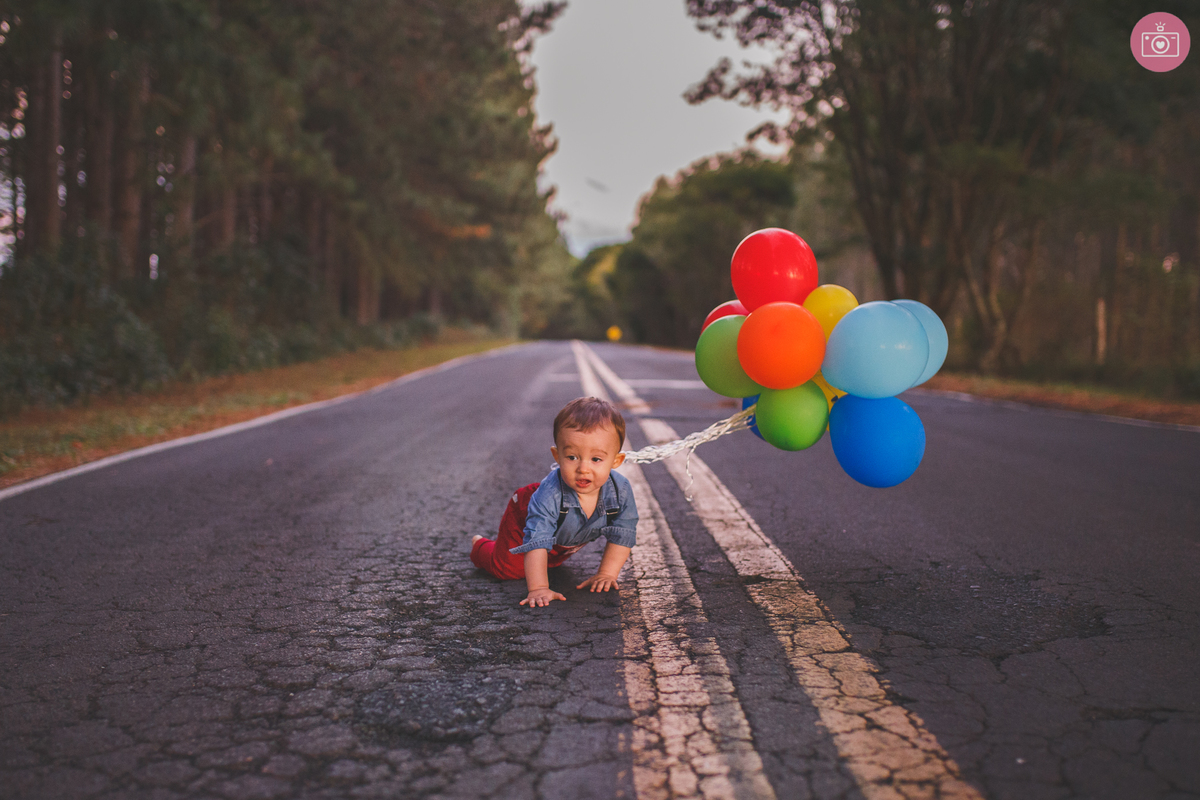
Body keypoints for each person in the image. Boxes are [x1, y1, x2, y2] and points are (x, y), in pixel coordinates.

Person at [471, 397, 638, 607]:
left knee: (554, 560)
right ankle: (481, 546)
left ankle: (547, 558)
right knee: (508, 570)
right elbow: (537, 540)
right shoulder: (549, 495)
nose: (583, 468)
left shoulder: (620, 491)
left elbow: (623, 534)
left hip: (565, 535)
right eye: (572, 457)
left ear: (616, 461)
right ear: (557, 455)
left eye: (596, 459)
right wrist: (539, 588)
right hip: (524, 515)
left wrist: (606, 574)